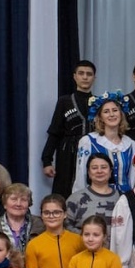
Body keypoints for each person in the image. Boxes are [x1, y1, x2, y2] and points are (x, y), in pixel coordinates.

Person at [41, 60, 97, 197]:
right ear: (75, 76)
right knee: (65, 190)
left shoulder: (99, 102)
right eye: (81, 73)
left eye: (89, 74)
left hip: (93, 153)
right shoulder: (64, 102)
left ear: (94, 78)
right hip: (68, 154)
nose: (85, 77)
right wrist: (47, 161)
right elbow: (55, 132)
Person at [74, 90, 135, 194]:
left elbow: (133, 177)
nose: (111, 114)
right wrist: (79, 198)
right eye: (106, 111)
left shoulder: (130, 144)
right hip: (97, 196)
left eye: (115, 110)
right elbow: (81, 174)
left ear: (121, 114)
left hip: (125, 197)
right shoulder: (88, 141)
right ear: (100, 117)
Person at [65, 153, 121, 232]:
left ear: (110, 171)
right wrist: (86, 236)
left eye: (104, 167)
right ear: (88, 172)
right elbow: (65, 226)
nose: (99, 171)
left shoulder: (121, 198)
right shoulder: (75, 198)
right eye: (94, 168)